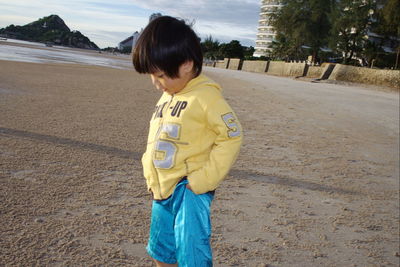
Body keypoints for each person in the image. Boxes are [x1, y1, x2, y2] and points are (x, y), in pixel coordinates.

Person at [132, 16, 243, 267]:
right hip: (161, 188)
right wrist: (150, 175)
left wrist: (202, 180)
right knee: (161, 252)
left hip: (188, 189)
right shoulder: (168, 96)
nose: (155, 84)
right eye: (151, 75)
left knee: (191, 256)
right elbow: (156, 138)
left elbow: (232, 136)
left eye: (160, 75)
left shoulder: (206, 97)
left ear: (186, 65)